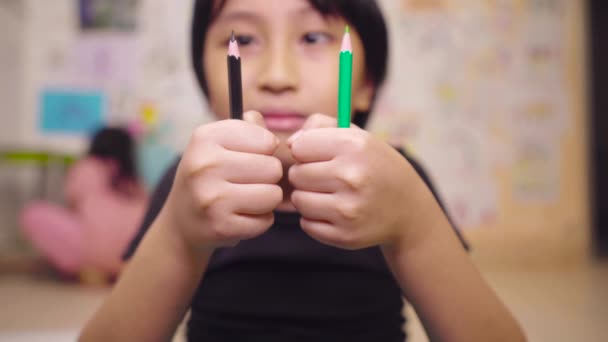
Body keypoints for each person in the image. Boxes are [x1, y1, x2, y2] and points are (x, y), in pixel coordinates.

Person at [80, 0, 526, 340]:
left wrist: (416, 226)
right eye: (245, 40)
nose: (277, 75)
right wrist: (179, 231)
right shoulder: (188, 184)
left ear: (367, 85)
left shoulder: (399, 180)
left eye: (313, 38)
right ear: (204, 78)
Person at [20, 127, 148, 281]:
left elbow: (74, 207)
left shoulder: (86, 166)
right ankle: (116, 269)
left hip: (92, 249)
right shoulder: (132, 178)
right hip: (133, 254)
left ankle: (91, 268)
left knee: (33, 213)